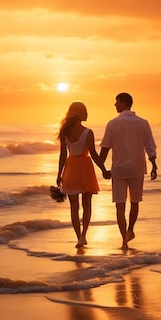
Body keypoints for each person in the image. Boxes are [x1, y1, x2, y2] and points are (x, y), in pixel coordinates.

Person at [100, 92, 157, 249]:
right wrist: (154, 164)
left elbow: (105, 148)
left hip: (118, 169)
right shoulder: (143, 123)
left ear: (124, 103)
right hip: (137, 168)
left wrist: (101, 167)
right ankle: (130, 229)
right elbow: (150, 145)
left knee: (119, 205)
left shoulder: (112, 124)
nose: (115, 104)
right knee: (135, 202)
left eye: (117, 101)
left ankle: (124, 240)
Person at [57, 102, 110, 248]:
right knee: (87, 204)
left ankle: (78, 237)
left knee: (74, 206)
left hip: (71, 167)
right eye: (85, 112)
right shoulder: (88, 132)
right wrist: (104, 170)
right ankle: (83, 236)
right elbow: (93, 154)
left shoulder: (65, 131)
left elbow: (62, 155)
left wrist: (59, 174)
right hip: (85, 167)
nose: (87, 114)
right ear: (79, 114)